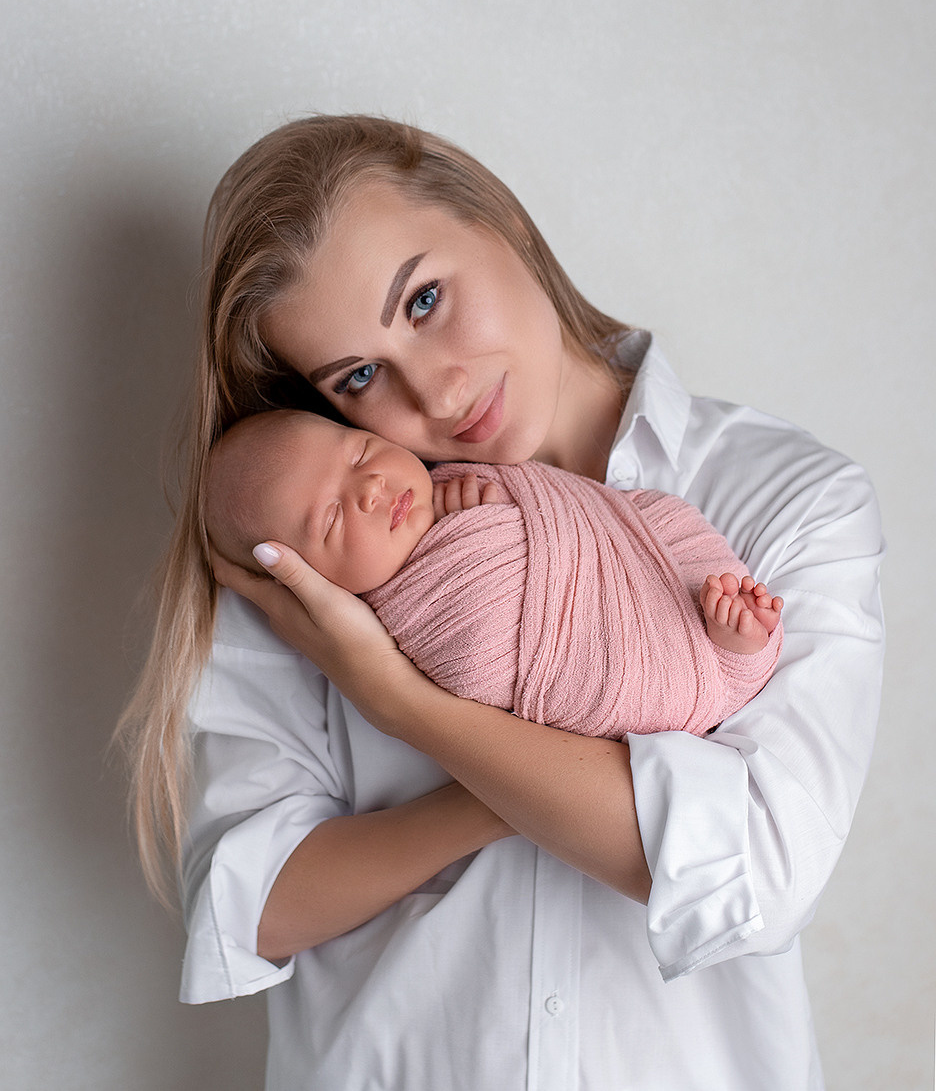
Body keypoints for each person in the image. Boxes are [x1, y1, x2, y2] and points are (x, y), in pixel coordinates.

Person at [117, 115, 884, 1090]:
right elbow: (256, 900)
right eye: (359, 375)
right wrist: (523, 793)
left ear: (502, 220)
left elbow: (757, 874)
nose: (434, 392)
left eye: (426, 298)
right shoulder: (318, 535)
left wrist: (406, 704)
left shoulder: (784, 495)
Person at [204, 407, 784, 739]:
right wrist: (483, 536)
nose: (371, 488)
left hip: (642, 551)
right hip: (609, 655)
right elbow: (482, 656)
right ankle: (725, 654)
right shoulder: (404, 616)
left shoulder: (456, 473)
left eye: (358, 452)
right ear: (308, 578)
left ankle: (732, 637)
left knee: (670, 522)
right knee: (647, 668)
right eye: (332, 518)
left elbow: (571, 506)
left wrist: (487, 505)